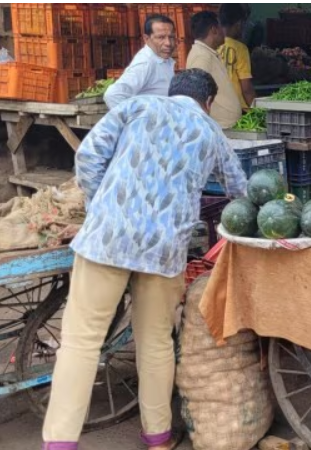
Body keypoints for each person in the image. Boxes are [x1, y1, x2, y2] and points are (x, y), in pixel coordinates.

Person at [41, 69, 247, 450]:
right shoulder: (210, 130)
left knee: (81, 342)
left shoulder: (137, 105)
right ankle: (158, 437)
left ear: (171, 93)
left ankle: (59, 443)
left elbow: (88, 155)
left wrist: (101, 200)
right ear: (209, 103)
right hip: (165, 247)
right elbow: (239, 188)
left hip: (109, 239)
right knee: (155, 341)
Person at [104, 14, 176, 108]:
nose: (168, 43)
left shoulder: (164, 60)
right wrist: (137, 120)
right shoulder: (145, 63)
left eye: (171, 37)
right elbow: (113, 95)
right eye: (161, 37)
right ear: (146, 39)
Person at [186, 11, 243, 128]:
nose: (224, 32)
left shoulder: (207, 53)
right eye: (221, 27)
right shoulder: (201, 56)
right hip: (218, 128)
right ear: (214, 30)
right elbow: (197, 93)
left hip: (224, 127)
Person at [219, 4, 255, 109]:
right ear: (239, 24)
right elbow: (246, 89)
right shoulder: (240, 49)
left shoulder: (213, 46)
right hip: (238, 109)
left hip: (218, 108)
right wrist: (257, 111)